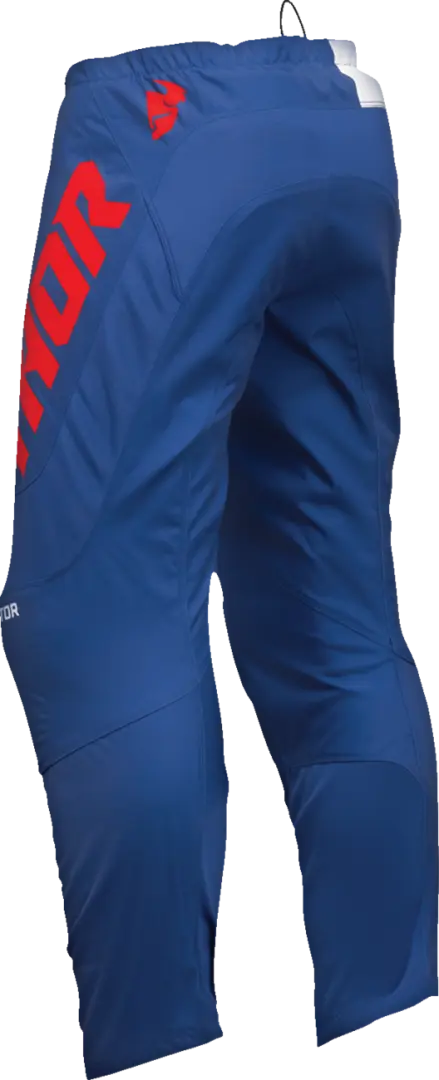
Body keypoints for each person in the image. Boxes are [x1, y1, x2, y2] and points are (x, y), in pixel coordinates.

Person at [2, 12, 437, 1079]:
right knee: (331, 609)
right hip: (336, 111)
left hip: (167, 123)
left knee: (90, 613)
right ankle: (397, 1026)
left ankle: (154, 1054)